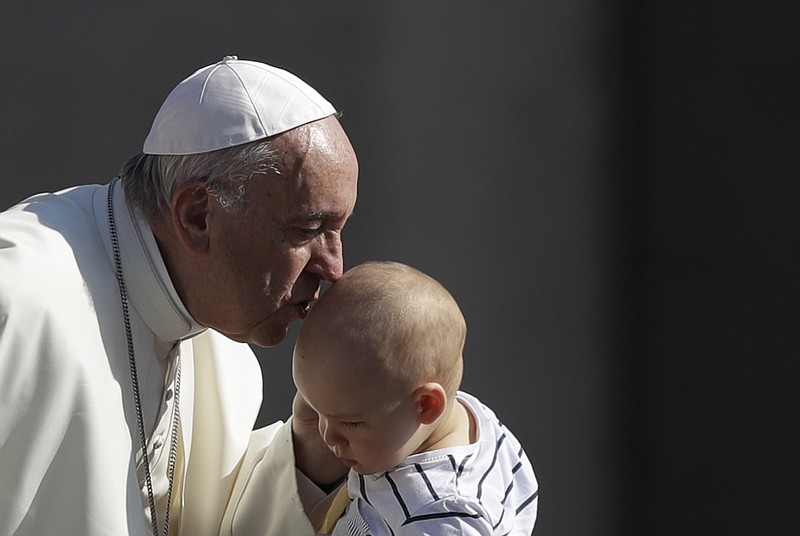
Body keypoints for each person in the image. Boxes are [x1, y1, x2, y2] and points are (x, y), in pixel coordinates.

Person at [0, 56, 356, 535]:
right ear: (197, 216)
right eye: (307, 229)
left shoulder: (227, 353)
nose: (333, 268)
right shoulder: (17, 298)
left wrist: (314, 453)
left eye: (338, 230)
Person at [292, 261, 539, 535]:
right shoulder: (468, 419)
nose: (327, 436)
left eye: (350, 423)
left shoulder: (441, 516)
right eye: (317, 409)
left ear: (427, 404)